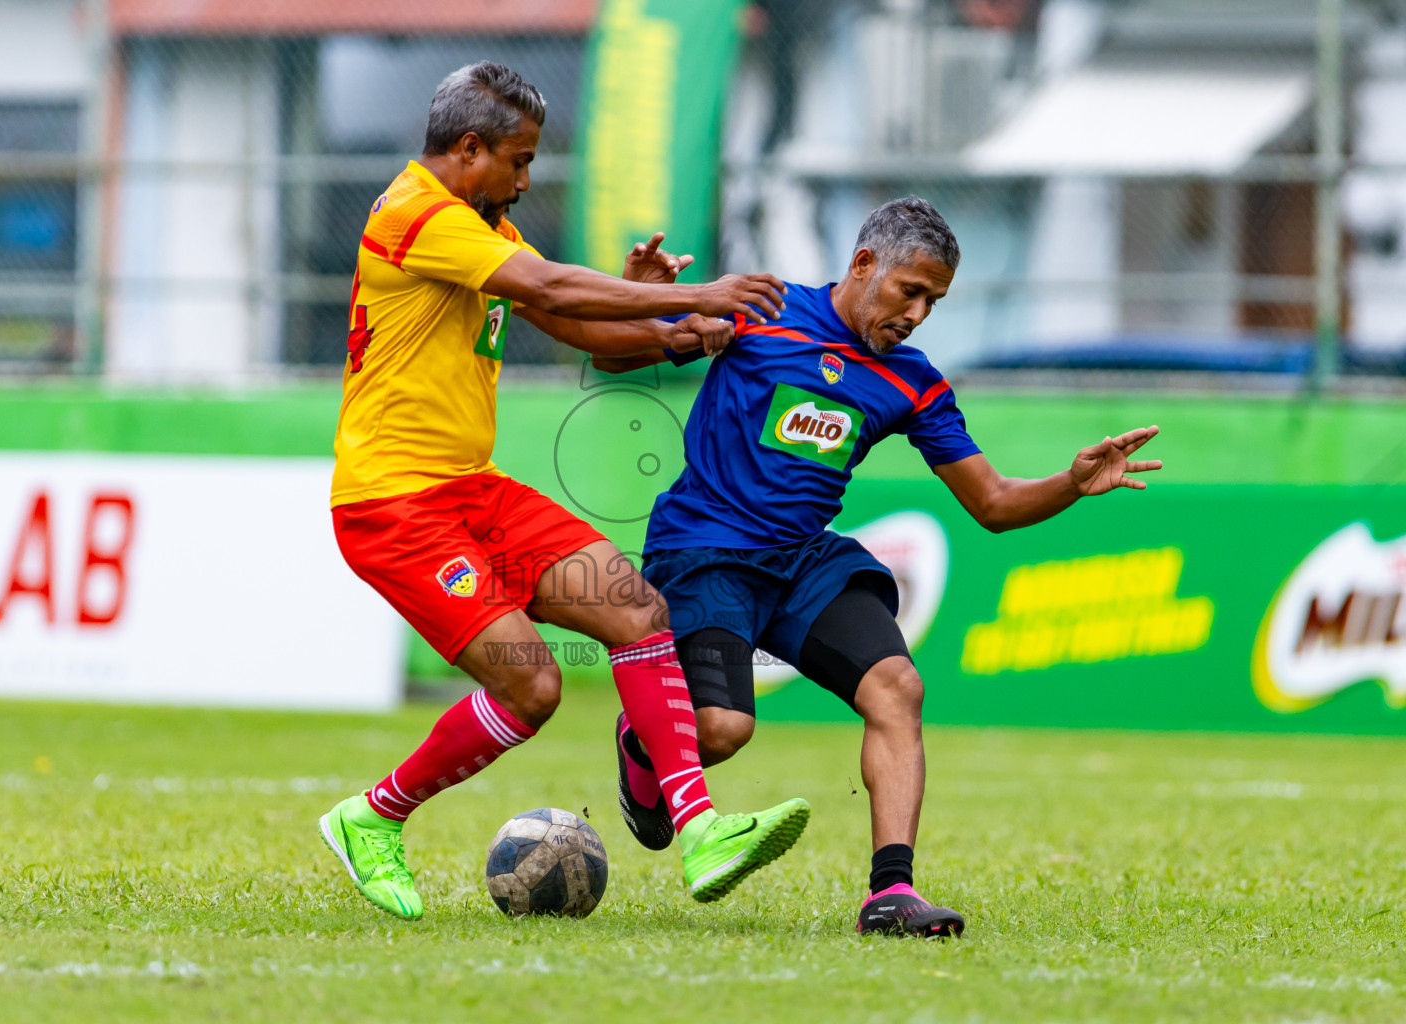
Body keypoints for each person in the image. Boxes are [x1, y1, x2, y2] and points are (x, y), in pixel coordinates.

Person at [319, 61, 812, 920]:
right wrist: (703, 290)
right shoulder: (414, 214)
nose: (525, 177)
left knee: (634, 608)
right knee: (533, 687)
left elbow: (574, 328)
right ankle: (372, 816)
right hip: (391, 505)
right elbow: (549, 288)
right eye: (518, 159)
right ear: (468, 149)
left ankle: (699, 834)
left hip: (470, 488)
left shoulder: (481, 222)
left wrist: (672, 328)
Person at [599, 197, 1163, 937]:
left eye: (935, 300)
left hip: (804, 560)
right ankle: (642, 742)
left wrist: (1072, 482)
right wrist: (641, 295)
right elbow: (611, 357)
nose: (920, 313)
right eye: (911, 291)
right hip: (705, 549)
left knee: (898, 687)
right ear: (864, 265)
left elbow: (992, 503)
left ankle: (890, 894)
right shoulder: (759, 314)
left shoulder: (915, 383)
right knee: (724, 730)